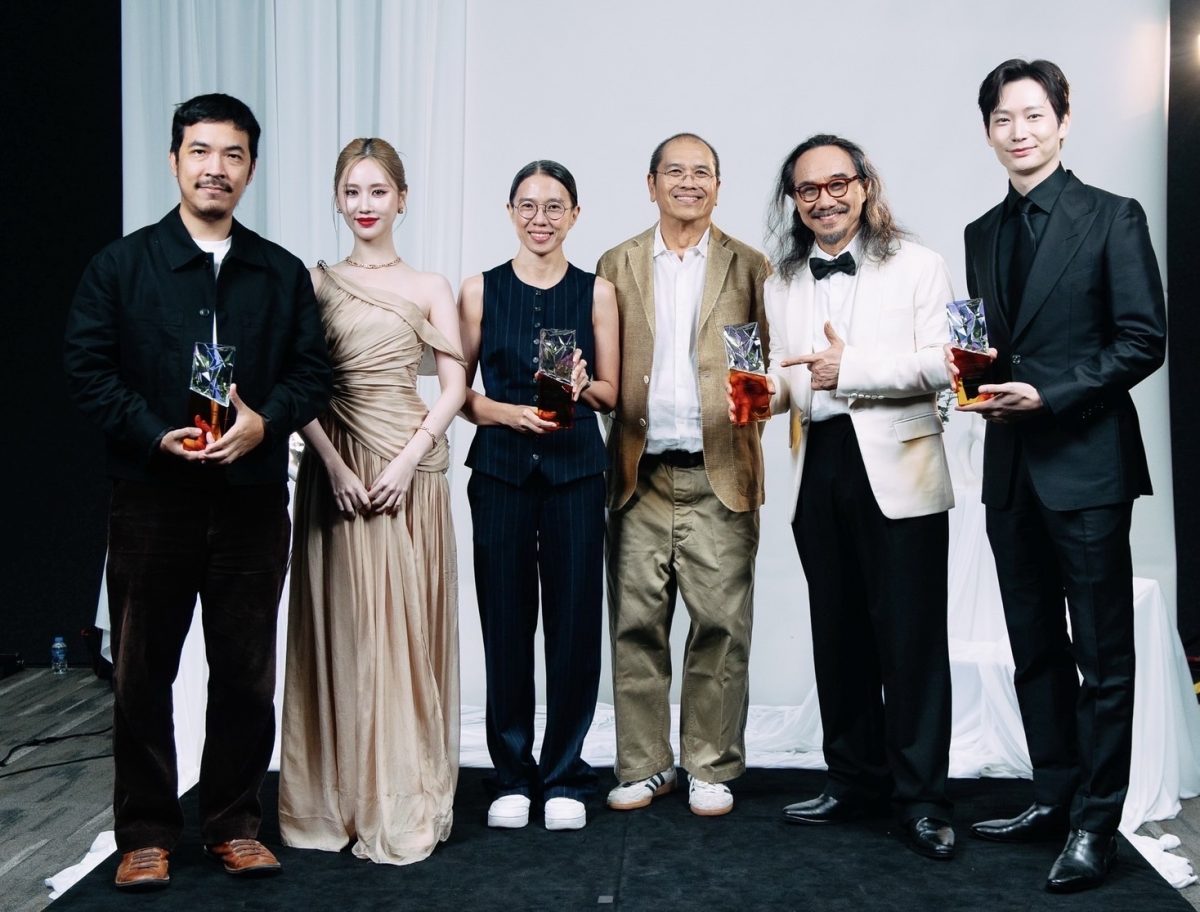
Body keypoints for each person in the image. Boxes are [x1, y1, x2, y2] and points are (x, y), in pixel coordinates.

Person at [63, 93, 332, 890]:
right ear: (175, 160)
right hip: (152, 498)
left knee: (245, 672)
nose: (217, 168)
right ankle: (146, 832)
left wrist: (265, 424)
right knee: (142, 671)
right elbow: (87, 369)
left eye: (233, 154)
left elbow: (313, 374)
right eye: (201, 151)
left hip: (251, 497)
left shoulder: (280, 273)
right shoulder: (121, 267)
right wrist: (154, 433)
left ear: (251, 168)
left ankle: (233, 825)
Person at [953, 59, 1166, 893]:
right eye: (1003, 119)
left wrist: (1053, 394)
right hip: (1009, 469)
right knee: (1034, 648)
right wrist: (970, 382)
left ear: (1064, 120)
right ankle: (1053, 796)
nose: (1020, 132)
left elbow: (1143, 340)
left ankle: (1095, 825)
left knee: (1103, 658)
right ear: (987, 132)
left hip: (1087, 465)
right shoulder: (980, 232)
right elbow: (989, 348)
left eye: (1034, 115)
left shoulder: (1113, 216)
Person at [754, 134, 957, 859]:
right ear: (794, 201)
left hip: (899, 465)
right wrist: (764, 394)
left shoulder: (920, 264)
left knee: (911, 642)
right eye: (808, 190)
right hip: (821, 464)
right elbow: (791, 377)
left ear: (864, 187)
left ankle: (922, 799)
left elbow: (946, 362)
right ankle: (853, 780)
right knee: (837, 634)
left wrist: (855, 368)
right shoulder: (783, 281)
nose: (824, 200)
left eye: (837, 184)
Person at [277, 138, 467, 865]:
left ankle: (402, 793)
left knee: (405, 633)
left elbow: (453, 386)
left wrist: (409, 458)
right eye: (352, 191)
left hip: (408, 470)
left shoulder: (429, 284)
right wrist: (330, 466)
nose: (365, 205)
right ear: (337, 198)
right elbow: (296, 386)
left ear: (402, 199)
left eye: (378, 191)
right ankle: (339, 797)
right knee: (346, 629)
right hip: (338, 471)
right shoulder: (314, 284)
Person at [598, 133, 768, 817]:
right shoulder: (616, 264)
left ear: (718, 187)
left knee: (721, 627)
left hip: (720, 472)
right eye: (675, 171)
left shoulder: (749, 265)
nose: (689, 182)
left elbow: (765, 368)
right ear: (651, 184)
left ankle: (710, 765)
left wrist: (753, 419)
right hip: (637, 473)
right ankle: (645, 765)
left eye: (703, 172)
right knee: (635, 624)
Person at [459, 160, 618, 831]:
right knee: (504, 621)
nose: (541, 218)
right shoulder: (479, 290)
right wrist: (505, 413)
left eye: (555, 206)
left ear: (575, 215)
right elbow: (459, 395)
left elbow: (612, 394)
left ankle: (564, 776)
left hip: (576, 473)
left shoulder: (597, 292)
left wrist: (581, 388)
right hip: (499, 472)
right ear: (509, 211)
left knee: (574, 624)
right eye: (528, 205)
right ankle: (511, 775)